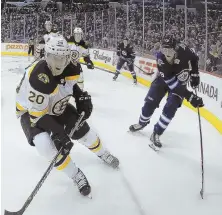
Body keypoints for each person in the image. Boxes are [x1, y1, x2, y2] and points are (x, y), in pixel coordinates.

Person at [16, 36, 119, 197]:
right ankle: (75, 174)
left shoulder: (71, 66)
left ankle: (102, 152)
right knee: (44, 145)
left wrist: (80, 96)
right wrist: (58, 131)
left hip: (55, 104)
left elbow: (72, 84)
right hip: (30, 111)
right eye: (54, 58)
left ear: (67, 56)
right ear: (46, 56)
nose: (59, 63)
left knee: (83, 131)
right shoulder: (38, 77)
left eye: (62, 58)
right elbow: (37, 115)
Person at [129, 37, 204, 149]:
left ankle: (157, 132)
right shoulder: (160, 58)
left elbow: (194, 58)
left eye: (170, 50)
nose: (167, 53)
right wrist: (190, 96)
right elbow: (173, 86)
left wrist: (194, 74)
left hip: (181, 81)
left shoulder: (184, 51)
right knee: (150, 102)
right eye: (164, 50)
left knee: (171, 107)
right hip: (164, 80)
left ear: (176, 48)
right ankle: (142, 122)